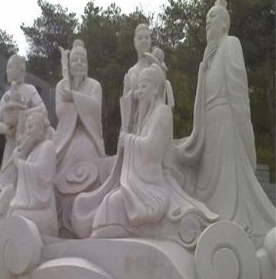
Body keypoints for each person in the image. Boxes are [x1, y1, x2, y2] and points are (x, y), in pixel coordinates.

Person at [72, 64, 217, 240]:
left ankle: (129, 230)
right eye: (138, 87)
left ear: (155, 88)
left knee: (114, 202)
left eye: (143, 86)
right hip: (140, 181)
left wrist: (128, 140)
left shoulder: (163, 112)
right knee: (111, 200)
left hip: (153, 184)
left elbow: (151, 150)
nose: (139, 92)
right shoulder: (147, 115)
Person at [174, 0, 275, 248]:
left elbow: (238, 90)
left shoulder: (231, 44)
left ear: (224, 24)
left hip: (226, 124)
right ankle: (210, 221)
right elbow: (201, 99)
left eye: (213, 18)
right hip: (209, 126)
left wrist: (244, 128)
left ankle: (235, 224)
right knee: (207, 183)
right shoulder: (207, 57)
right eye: (206, 20)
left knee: (229, 183)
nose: (208, 23)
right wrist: (202, 67)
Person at [0, 54, 48, 235]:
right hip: (10, 145)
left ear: (21, 69)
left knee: (23, 180)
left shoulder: (30, 90)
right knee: (6, 181)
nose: (7, 71)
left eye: (10, 67)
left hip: (26, 145)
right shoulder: (6, 96)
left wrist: (23, 115)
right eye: (7, 67)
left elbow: (42, 110)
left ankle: (20, 218)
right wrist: (6, 128)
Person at [54, 39, 106, 236]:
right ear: (69, 64)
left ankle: (88, 216)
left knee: (92, 167)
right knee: (59, 169)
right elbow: (60, 112)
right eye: (74, 60)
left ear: (87, 63)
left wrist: (73, 97)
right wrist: (70, 95)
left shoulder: (94, 85)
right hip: (66, 138)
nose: (78, 63)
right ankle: (63, 220)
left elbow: (94, 107)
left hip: (88, 135)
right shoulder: (61, 85)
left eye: (82, 60)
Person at [8, 110, 58, 237]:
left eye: (31, 127)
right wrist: (21, 159)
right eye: (27, 128)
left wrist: (19, 163)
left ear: (40, 129)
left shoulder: (48, 146)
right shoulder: (32, 151)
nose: (28, 132)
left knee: (17, 217)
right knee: (12, 213)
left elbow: (43, 175)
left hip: (43, 209)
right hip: (32, 207)